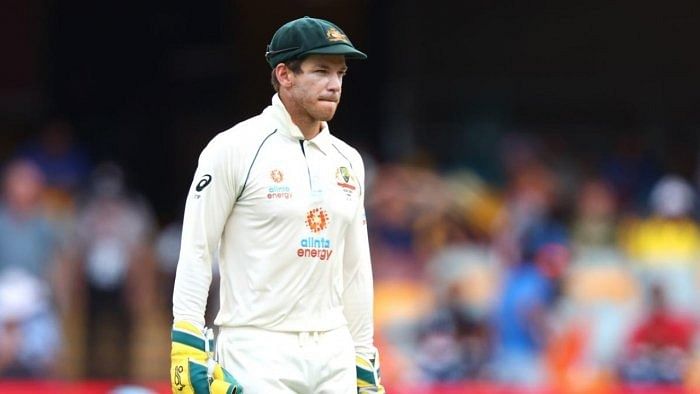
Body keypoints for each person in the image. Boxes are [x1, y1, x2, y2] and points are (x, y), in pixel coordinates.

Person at [170, 16, 384, 394]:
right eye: (321, 71)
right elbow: (197, 248)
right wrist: (186, 342)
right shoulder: (234, 148)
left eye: (340, 73)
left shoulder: (348, 161)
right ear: (284, 75)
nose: (334, 84)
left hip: (333, 349)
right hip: (256, 347)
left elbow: (355, 268)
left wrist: (363, 356)